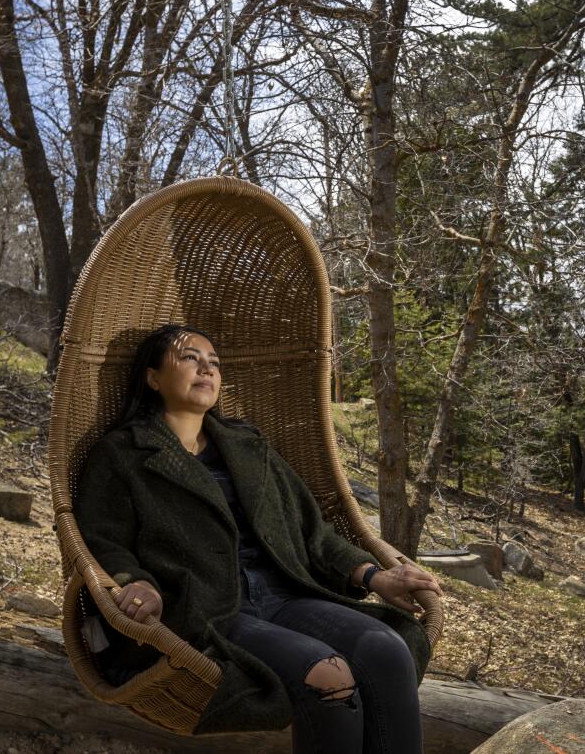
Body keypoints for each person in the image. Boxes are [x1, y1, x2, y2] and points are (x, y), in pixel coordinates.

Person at [74, 323, 441, 753]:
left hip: (286, 594)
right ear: (153, 378)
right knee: (329, 675)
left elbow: (311, 530)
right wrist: (136, 582)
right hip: (205, 608)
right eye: (190, 358)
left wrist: (373, 576)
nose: (206, 368)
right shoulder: (122, 453)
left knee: (388, 649)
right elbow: (103, 538)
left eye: (214, 363)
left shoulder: (249, 446)